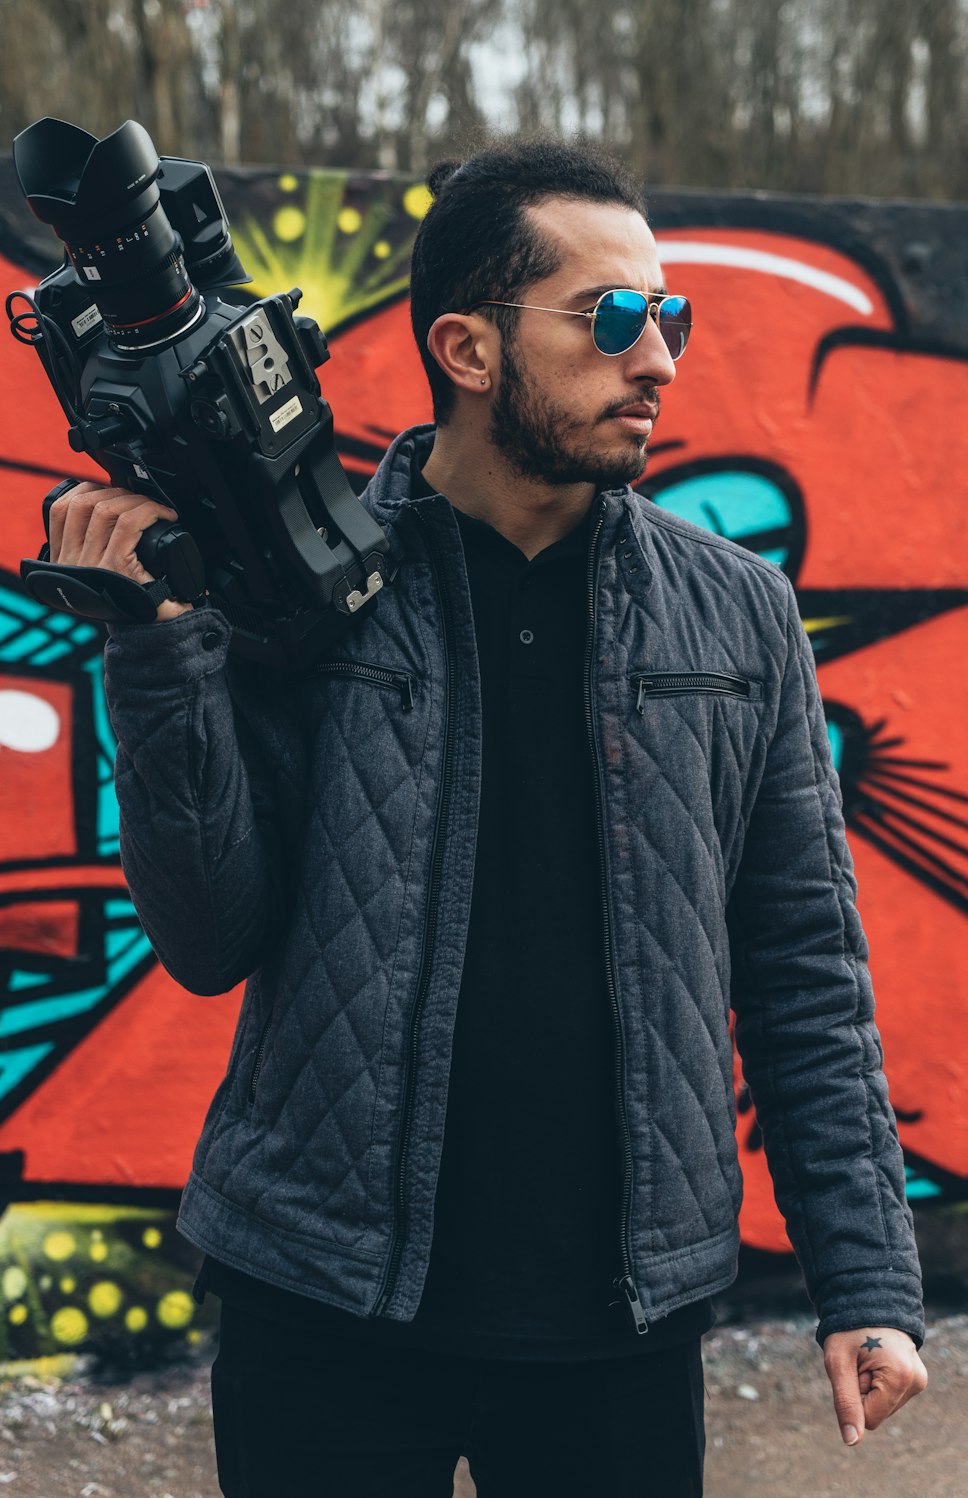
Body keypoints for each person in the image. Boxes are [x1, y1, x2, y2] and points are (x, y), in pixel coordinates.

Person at [50, 141, 927, 1497]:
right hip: (323, 1305)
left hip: (617, 1328)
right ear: (466, 344)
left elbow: (805, 962)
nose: (660, 360)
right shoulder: (309, 588)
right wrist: (159, 651)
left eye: (670, 317)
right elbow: (209, 932)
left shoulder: (738, 613)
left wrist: (865, 1277)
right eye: (614, 318)